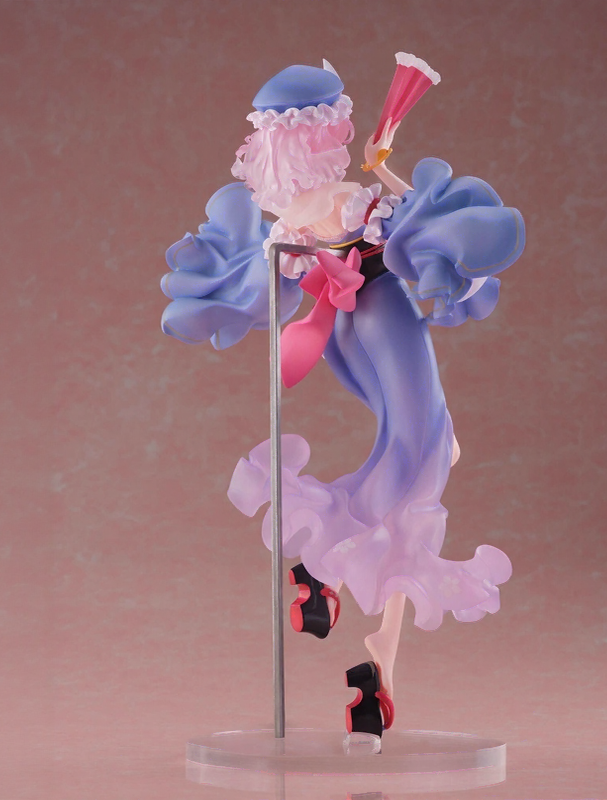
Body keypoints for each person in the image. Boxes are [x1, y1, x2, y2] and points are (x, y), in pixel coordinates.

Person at [161, 56, 525, 743]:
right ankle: (364, 639)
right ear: (327, 130)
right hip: (379, 313)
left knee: (421, 448)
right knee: (418, 458)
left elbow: (290, 270)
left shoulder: (287, 220)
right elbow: (408, 224)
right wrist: (389, 173)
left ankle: (326, 582)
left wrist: (384, 173)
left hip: (338, 329)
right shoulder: (347, 202)